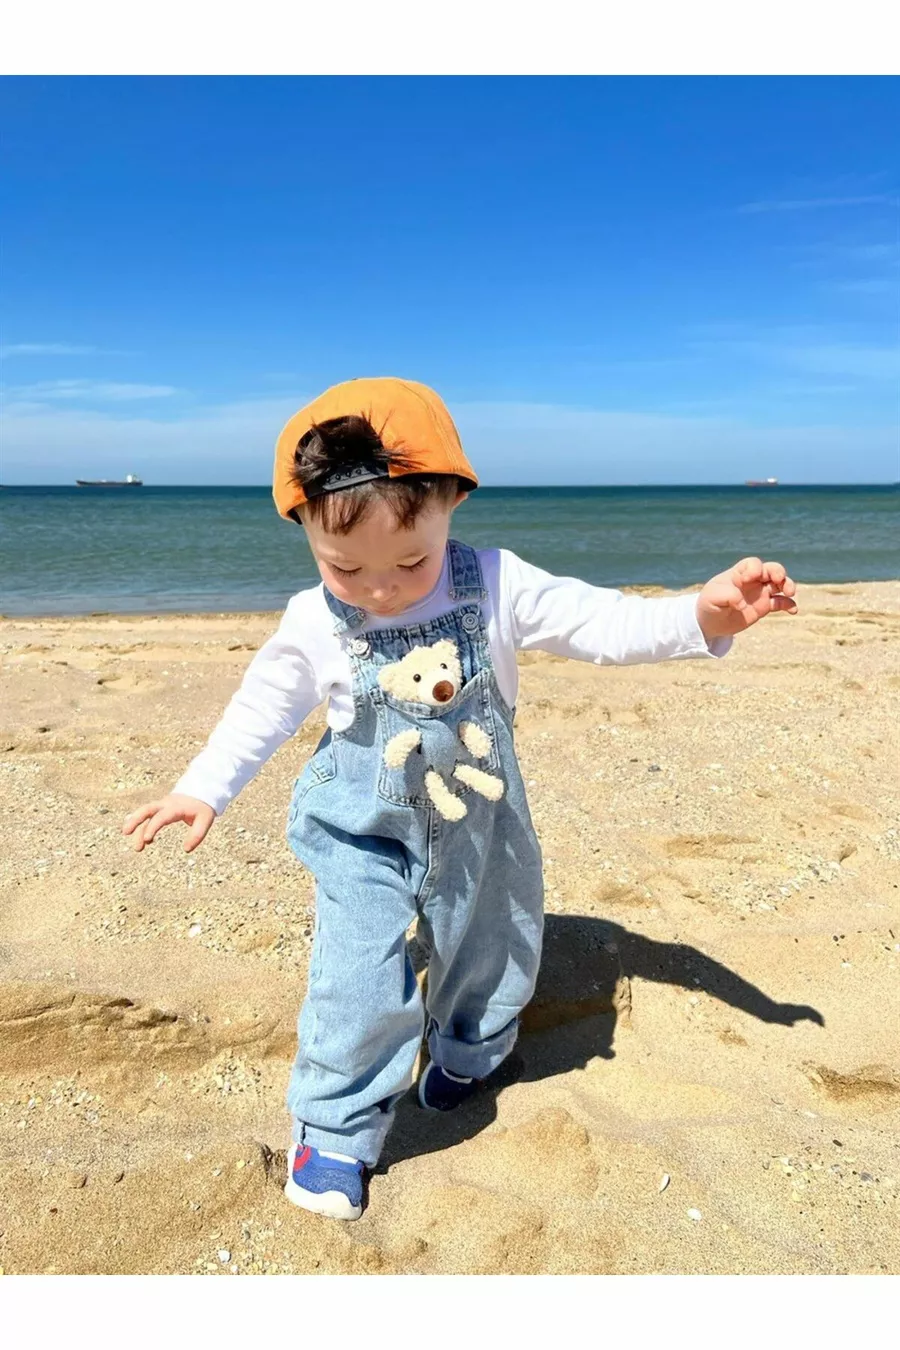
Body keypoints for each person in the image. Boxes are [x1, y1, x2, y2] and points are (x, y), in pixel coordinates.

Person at [122, 377, 798, 1221]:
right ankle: (335, 1130)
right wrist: (203, 787)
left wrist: (702, 617)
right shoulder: (312, 620)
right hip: (361, 828)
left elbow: (602, 624)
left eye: (411, 561)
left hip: (478, 815)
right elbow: (264, 707)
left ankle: (469, 1053)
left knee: (493, 941)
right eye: (343, 566)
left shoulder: (497, 584)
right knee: (356, 975)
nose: (380, 589)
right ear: (303, 529)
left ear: (452, 501)